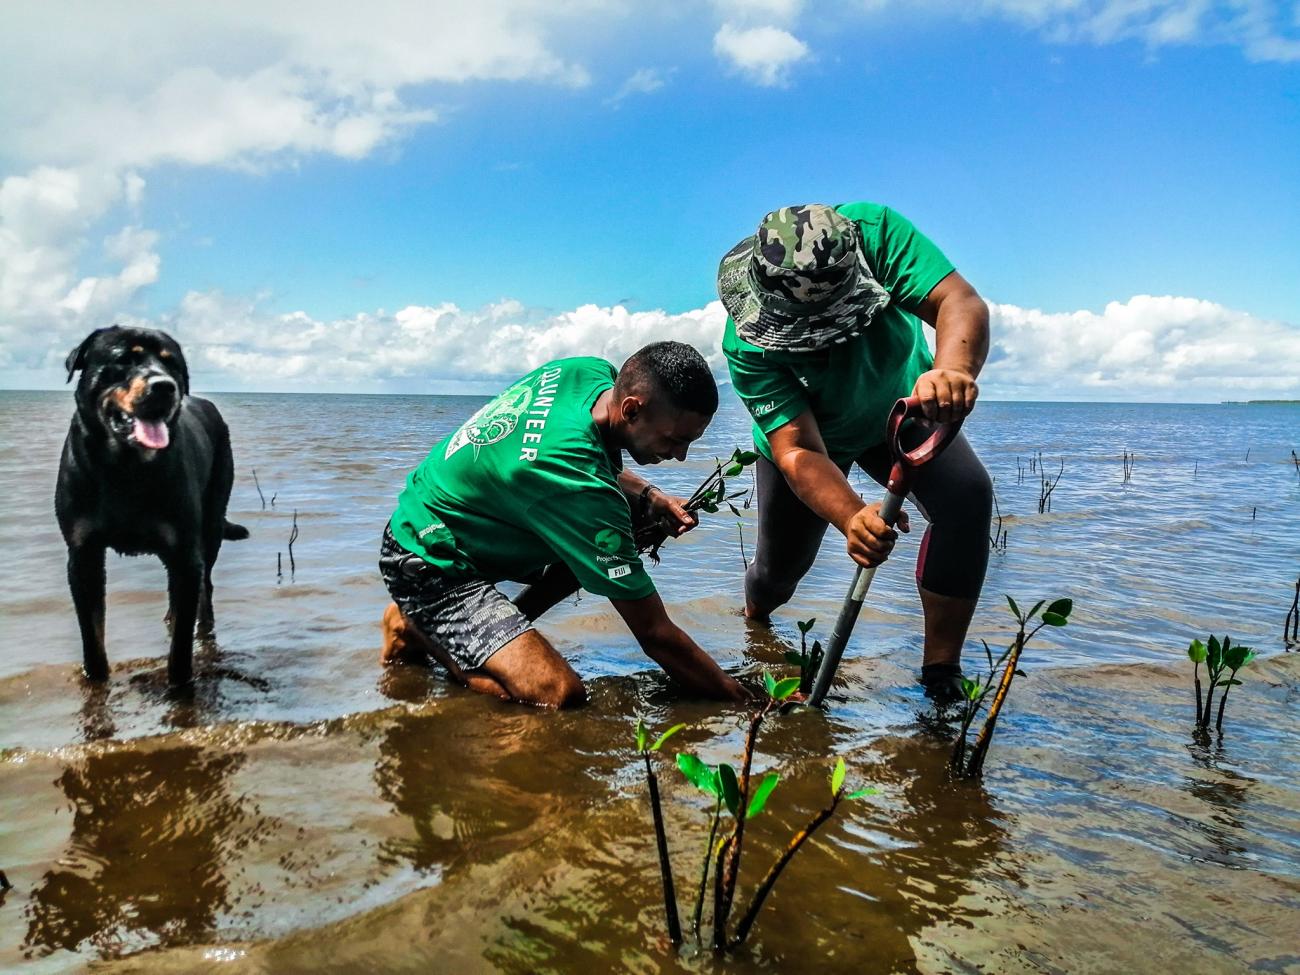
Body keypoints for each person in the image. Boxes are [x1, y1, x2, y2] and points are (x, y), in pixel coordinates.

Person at [716, 202, 992, 703]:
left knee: (967, 498)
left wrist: (953, 369)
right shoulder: (746, 346)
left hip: (902, 406)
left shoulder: (875, 234)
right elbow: (798, 450)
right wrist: (851, 517)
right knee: (779, 576)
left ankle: (940, 672)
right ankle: (755, 623)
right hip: (811, 442)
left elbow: (959, 302)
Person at [378, 341, 748, 708]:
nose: (680, 456)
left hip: (456, 517)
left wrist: (651, 496)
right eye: (674, 440)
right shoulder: (584, 492)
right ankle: (424, 634)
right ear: (632, 409)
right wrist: (743, 698)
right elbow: (655, 635)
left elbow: (579, 461)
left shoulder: (588, 373)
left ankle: (491, 636)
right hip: (430, 559)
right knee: (557, 693)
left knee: (628, 519)